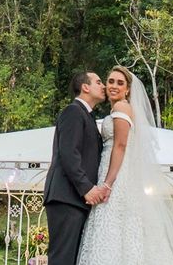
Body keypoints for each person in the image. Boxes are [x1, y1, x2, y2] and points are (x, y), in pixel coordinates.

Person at [77, 66, 173, 265]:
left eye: (120, 83)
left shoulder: (121, 108)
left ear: (128, 90)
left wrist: (108, 183)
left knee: (112, 224)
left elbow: (120, 146)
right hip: (114, 170)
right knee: (118, 227)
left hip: (117, 175)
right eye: (110, 81)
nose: (113, 86)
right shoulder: (118, 109)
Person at [43, 71, 109, 265]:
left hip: (75, 199)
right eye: (98, 82)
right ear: (85, 87)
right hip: (66, 197)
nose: (103, 86)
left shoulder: (87, 116)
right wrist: (86, 188)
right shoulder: (73, 112)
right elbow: (68, 153)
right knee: (62, 258)